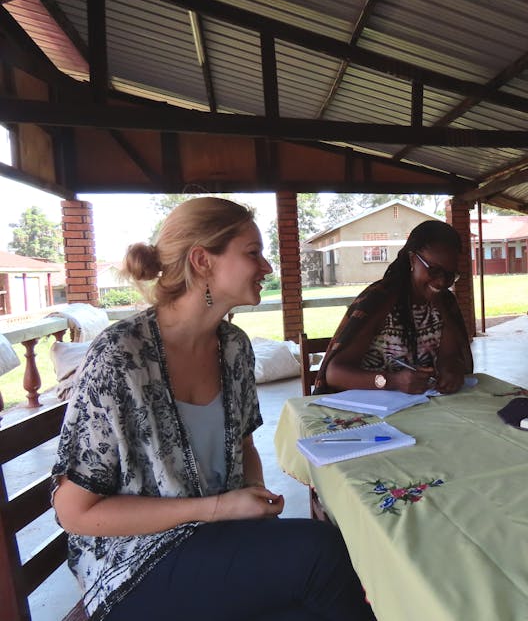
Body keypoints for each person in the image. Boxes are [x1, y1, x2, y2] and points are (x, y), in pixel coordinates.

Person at [51, 197, 375, 621]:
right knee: (321, 553)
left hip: (217, 544)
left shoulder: (234, 348)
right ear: (202, 261)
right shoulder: (121, 356)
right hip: (132, 566)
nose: (267, 268)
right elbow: (73, 512)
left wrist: (256, 507)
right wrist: (220, 509)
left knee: (312, 598)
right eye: (253, 253)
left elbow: (243, 447)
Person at [314, 219, 473, 395]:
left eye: (451, 274)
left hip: (423, 407)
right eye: (434, 270)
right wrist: (392, 381)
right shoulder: (381, 300)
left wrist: (451, 370)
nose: (442, 281)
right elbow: (334, 374)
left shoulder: (445, 302)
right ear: (413, 259)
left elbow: (450, 356)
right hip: (371, 408)